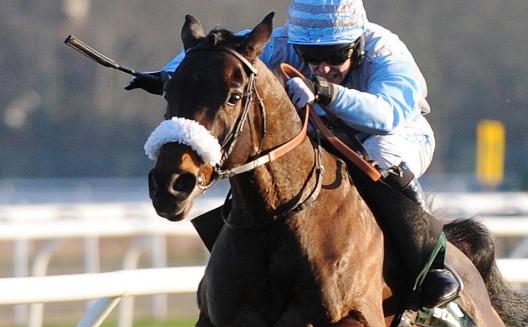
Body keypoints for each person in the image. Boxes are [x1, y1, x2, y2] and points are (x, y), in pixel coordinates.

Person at [128, 0, 460, 310]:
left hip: (392, 136)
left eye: (336, 55)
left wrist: (324, 91)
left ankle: (432, 266)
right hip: (318, 139)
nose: (323, 67)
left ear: (358, 44)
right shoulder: (284, 42)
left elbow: (387, 115)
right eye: (311, 56)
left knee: (378, 155)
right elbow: (216, 56)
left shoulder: (386, 51)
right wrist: (167, 75)